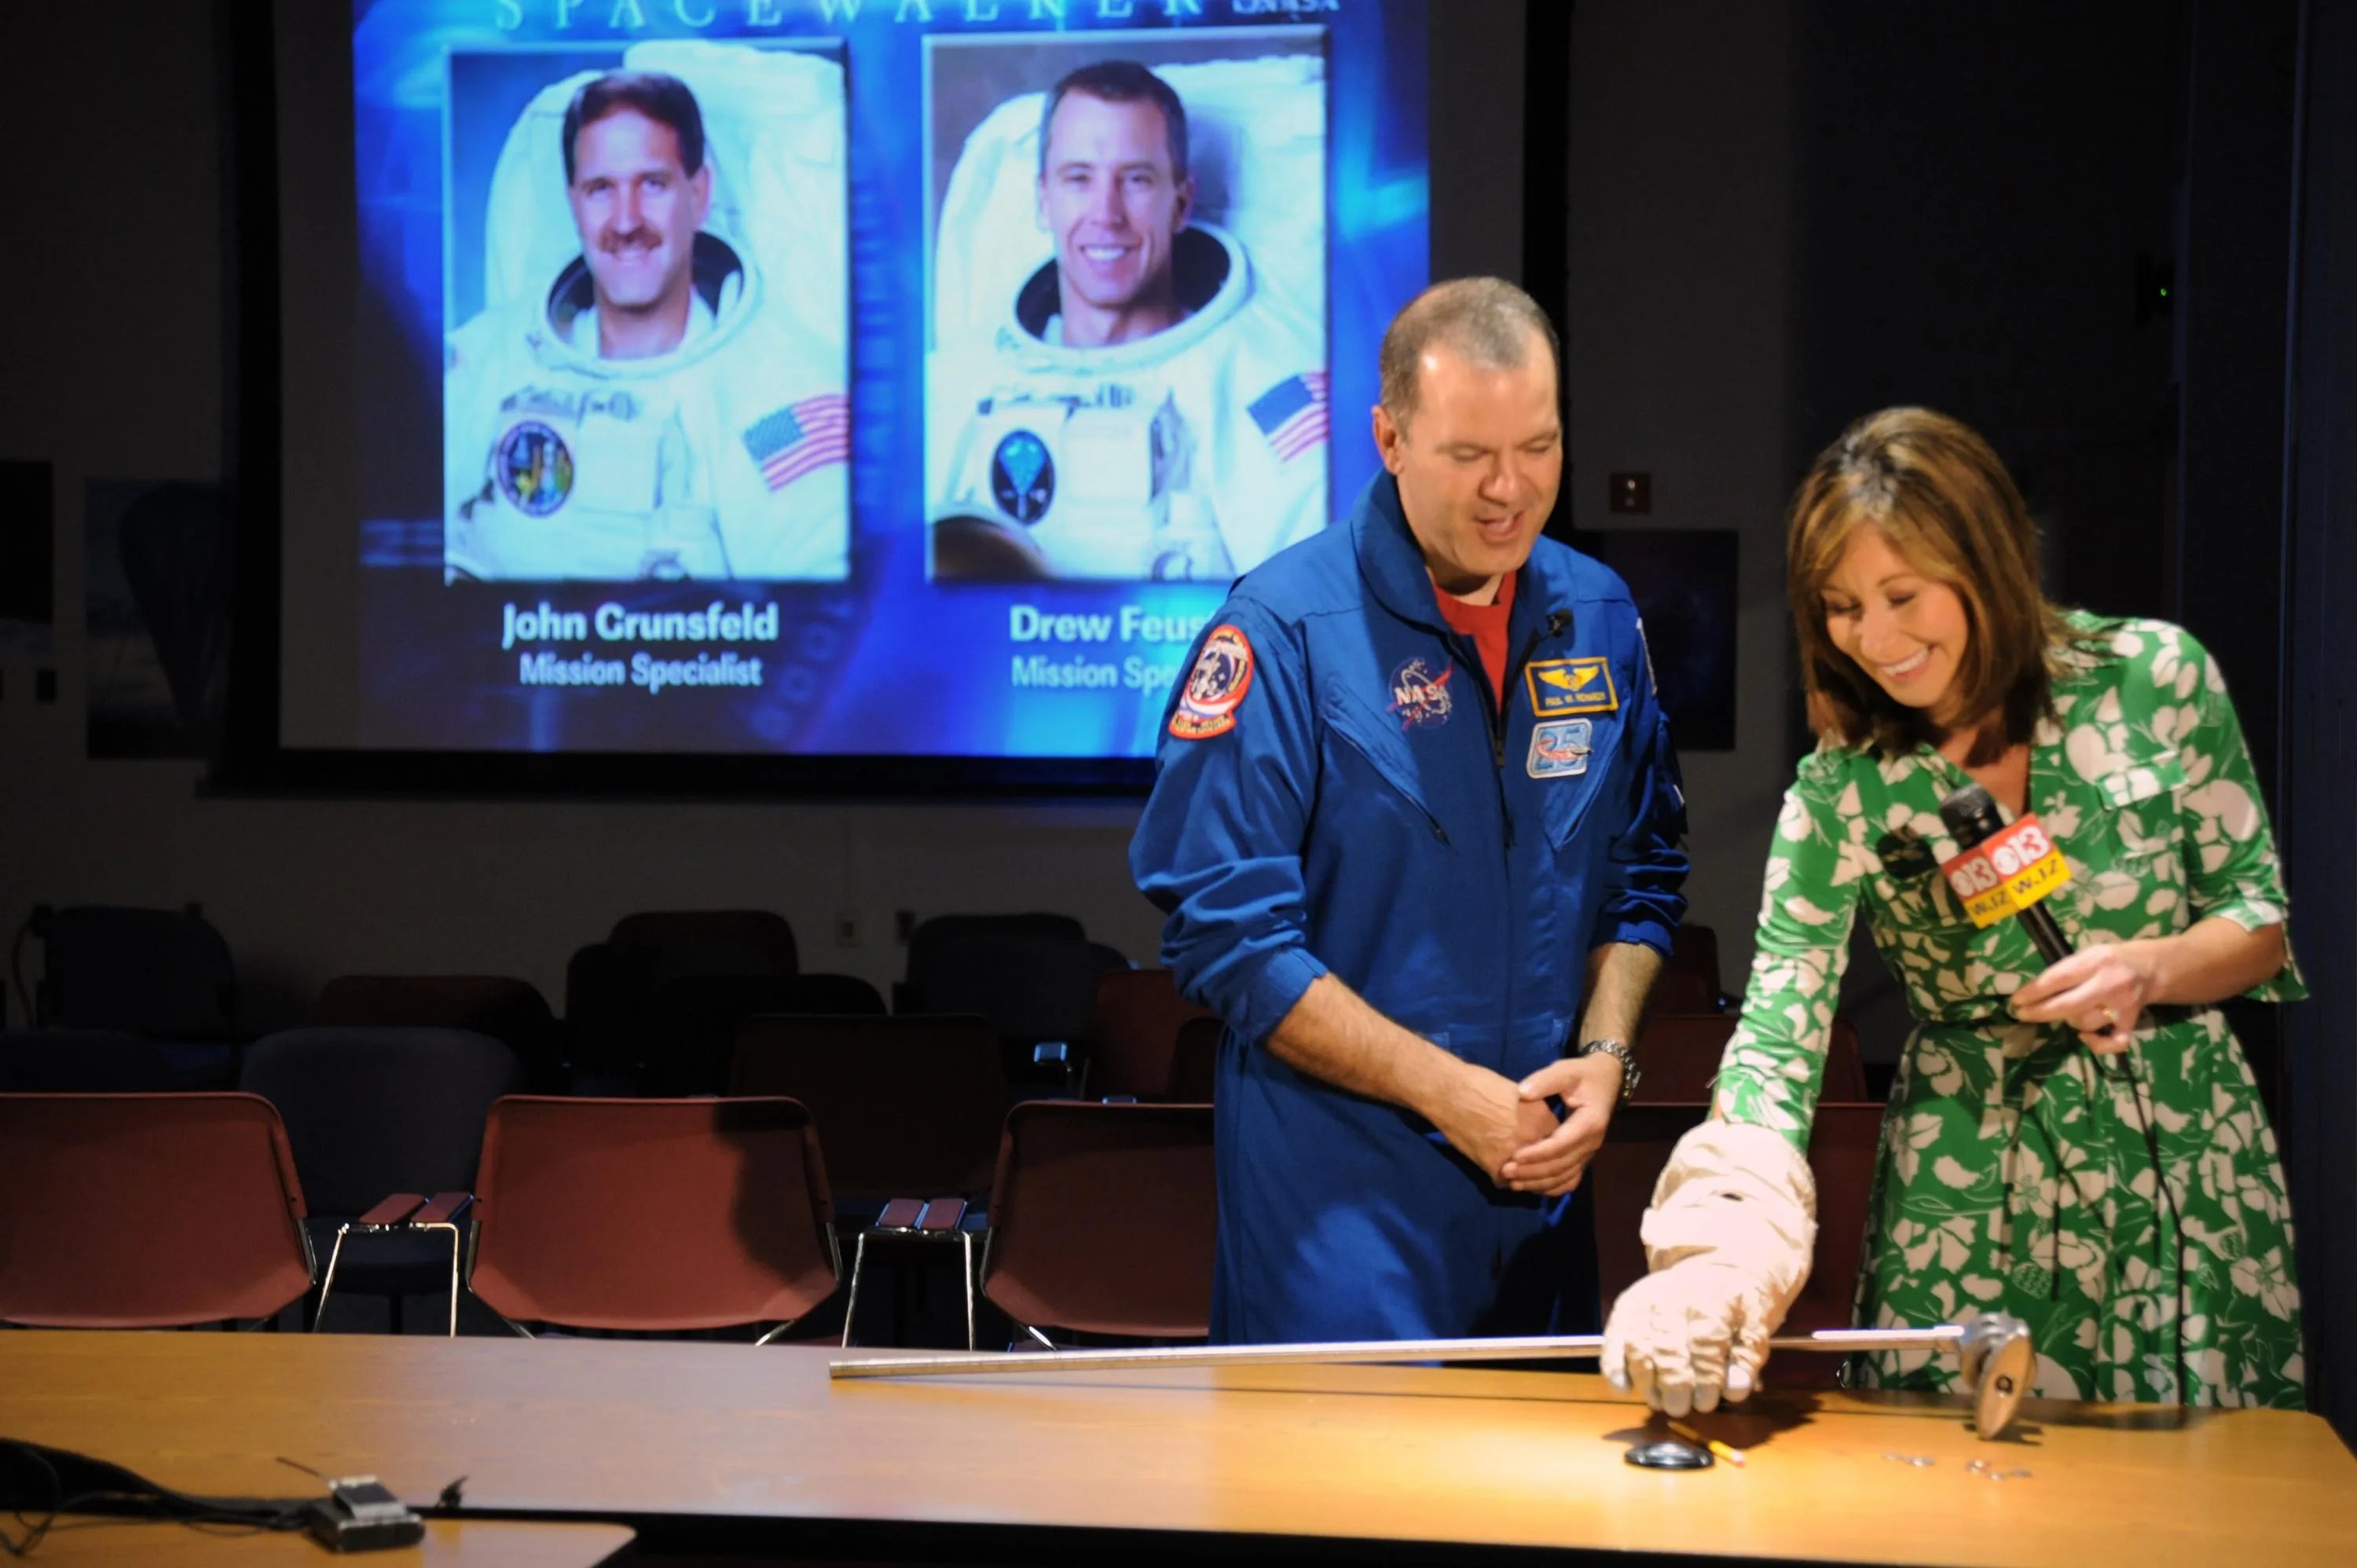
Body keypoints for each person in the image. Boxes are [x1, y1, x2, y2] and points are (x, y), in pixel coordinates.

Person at [1601, 407, 2306, 1415]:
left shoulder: (2157, 678)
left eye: (1901, 595)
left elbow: (2257, 919)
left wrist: (2147, 968)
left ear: (1984, 561)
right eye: (1842, 606)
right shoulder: (1848, 788)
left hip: (2180, 1146)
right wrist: (1717, 1241)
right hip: (1969, 1172)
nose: (1875, 639)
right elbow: (1778, 1036)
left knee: (2208, 1483)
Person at [1130, 278, 1690, 1343]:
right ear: (1388, 437)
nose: (1510, 490)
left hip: (1543, 1208)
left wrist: (1609, 1062)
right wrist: (1450, 1095)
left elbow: (1645, 876)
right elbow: (1226, 941)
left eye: (1538, 446)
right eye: (1470, 455)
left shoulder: (1600, 618)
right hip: (1339, 1220)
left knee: (1537, 1512)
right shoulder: (1283, 629)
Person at [445, 65, 849, 582]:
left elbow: (818, 596)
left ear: (699, 194)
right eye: (600, 190)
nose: (626, 221)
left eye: (652, 185)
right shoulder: (486, 362)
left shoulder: (776, 395)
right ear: (573, 203)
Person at [929, 60, 1325, 582]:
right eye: (1078, 179)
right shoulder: (953, 388)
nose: (1105, 214)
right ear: (1043, 200)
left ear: (1181, 202)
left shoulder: (1267, 388)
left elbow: (1322, 624)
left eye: (1136, 180)